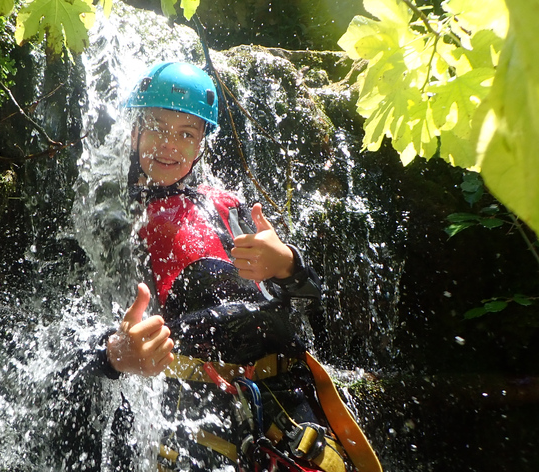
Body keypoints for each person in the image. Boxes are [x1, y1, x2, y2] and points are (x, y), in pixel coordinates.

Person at [93, 62, 381, 472]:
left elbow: (309, 304)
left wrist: (287, 265)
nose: (169, 145)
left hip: (287, 403)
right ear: (135, 130)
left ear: (201, 146)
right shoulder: (112, 216)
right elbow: (73, 334)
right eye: (156, 127)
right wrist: (114, 354)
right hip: (194, 408)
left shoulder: (227, 205)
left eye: (186, 134)